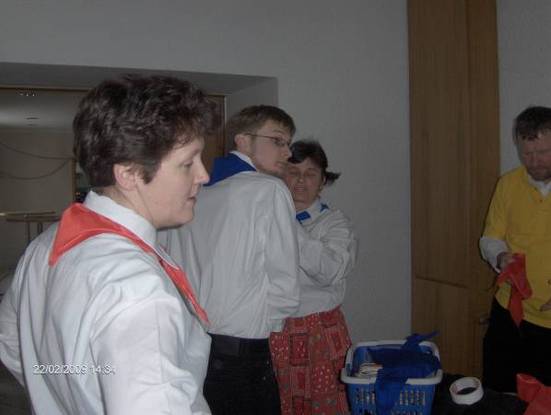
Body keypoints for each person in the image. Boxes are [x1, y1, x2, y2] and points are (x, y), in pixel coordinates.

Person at [0, 75, 216, 414]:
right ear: (128, 173)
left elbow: (12, 343)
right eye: (188, 163)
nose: (204, 175)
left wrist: (63, 393)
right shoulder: (137, 288)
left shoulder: (47, 244)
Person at [162, 105, 300, 415]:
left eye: (288, 143)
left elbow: (169, 265)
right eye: (277, 141)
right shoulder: (268, 190)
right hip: (243, 348)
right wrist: (265, 323)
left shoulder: (192, 193)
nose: (287, 152)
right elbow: (285, 281)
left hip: (191, 345)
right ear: (242, 140)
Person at [269, 140, 357, 415]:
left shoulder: (335, 223)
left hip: (318, 330)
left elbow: (329, 271)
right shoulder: (263, 221)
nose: (300, 181)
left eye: (310, 174)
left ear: (322, 182)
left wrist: (286, 223)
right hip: (273, 330)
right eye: (293, 172)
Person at [480, 105, 551, 393]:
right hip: (509, 311)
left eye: (543, 152)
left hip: (548, 322)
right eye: (526, 153)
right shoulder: (508, 184)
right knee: (498, 393)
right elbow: (489, 237)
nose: (534, 162)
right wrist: (499, 255)